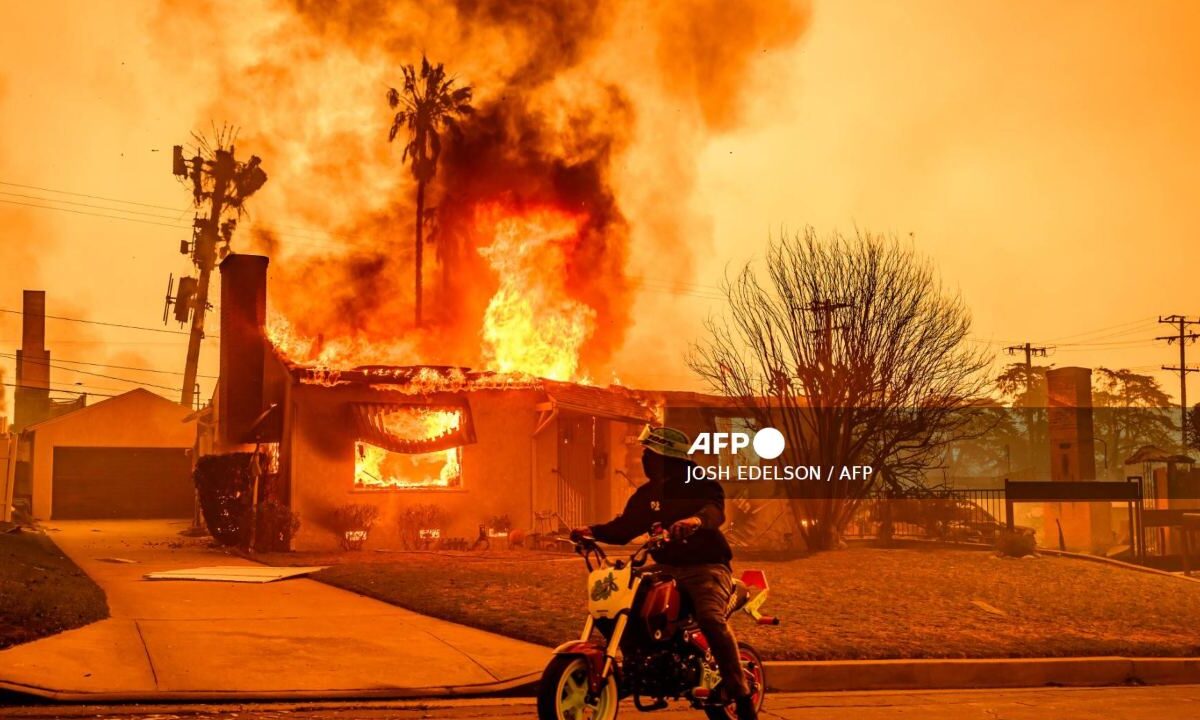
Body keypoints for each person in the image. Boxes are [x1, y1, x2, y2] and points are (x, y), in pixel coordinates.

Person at [571, 425, 757, 720]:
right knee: (624, 602)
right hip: (665, 567)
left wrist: (695, 521)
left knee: (710, 618)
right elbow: (625, 527)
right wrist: (591, 532)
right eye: (645, 453)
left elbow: (714, 511)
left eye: (650, 454)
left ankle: (741, 692)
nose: (645, 459)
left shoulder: (699, 483)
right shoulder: (647, 494)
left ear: (668, 458)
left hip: (706, 567)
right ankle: (639, 666)